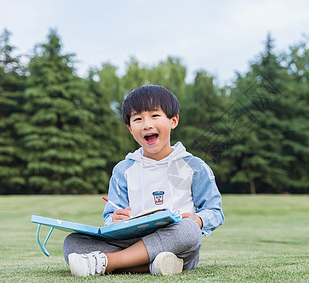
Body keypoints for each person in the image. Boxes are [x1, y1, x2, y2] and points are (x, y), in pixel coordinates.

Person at [63, 84, 224, 277]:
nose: (147, 124)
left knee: (189, 231)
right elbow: (110, 216)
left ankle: (111, 262)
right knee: (72, 242)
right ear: (131, 129)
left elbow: (215, 211)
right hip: (132, 241)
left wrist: (198, 219)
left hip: (175, 243)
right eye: (138, 119)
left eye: (155, 116)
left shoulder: (194, 166)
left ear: (173, 121)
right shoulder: (123, 170)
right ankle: (153, 266)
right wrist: (114, 218)